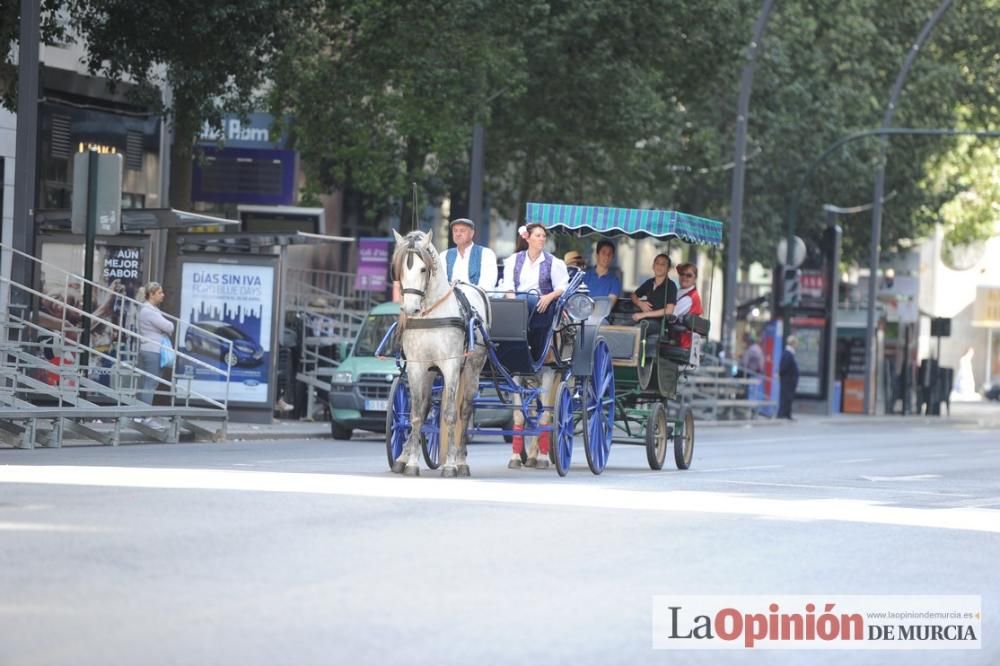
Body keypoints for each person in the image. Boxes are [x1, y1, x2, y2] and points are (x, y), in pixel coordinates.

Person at [500, 223, 570, 470]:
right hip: (520, 308)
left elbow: (562, 286)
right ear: (527, 237)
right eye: (538, 235)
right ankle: (518, 451)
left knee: (533, 301)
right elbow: (507, 286)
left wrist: (549, 297)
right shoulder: (513, 260)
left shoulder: (553, 263)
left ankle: (540, 451)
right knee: (508, 305)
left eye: (543, 236)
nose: (541, 239)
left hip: (543, 307)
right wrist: (512, 304)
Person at [136, 281, 174, 409]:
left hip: (148, 348)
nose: (163, 295)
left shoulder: (149, 309)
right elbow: (168, 326)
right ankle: (144, 416)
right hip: (152, 350)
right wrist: (167, 328)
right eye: (160, 293)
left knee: (145, 384)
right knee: (150, 384)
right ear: (151, 295)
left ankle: (139, 415)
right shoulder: (149, 311)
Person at [440, 217, 499, 290]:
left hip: (476, 298)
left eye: (462, 231)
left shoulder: (486, 253)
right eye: (455, 231)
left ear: (472, 233)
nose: (458, 234)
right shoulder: (444, 255)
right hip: (450, 297)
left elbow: (487, 284)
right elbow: (441, 282)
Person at [631, 253, 677, 326]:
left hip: (659, 323)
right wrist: (640, 303)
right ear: (653, 266)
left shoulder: (671, 286)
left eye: (663, 264)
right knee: (622, 326)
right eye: (657, 263)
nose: (659, 266)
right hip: (644, 318)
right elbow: (634, 295)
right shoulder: (649, 282)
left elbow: (669, 310)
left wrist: (645, 314)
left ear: (668, 269)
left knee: (638, 328)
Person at [672, 262, 702, 348]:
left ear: (695, 279)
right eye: (682, 274)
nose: (684, 277)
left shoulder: (690, 297)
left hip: (681, 341)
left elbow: (671, 313)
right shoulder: (680, 292)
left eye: (688, 275)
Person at [582, 240, 622, 306]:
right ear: (597, 255)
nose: (607, 257)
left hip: (602, 315)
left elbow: (608, 306)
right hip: (583, 315)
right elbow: (578, 300)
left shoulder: (615, 281)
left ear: (613, 257)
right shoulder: (585, 276)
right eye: (603, 253)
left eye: (610, 254)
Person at [778, 335, 799, 419]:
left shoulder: (789, 353)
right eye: (796, 344)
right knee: (786, 397)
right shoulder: (788, 354)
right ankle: (783, 413)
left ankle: (786, 413)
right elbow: (784, 367)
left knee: (788, 397)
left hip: (789, 380)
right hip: (788, 380)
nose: (797, 346)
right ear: (792, 344)